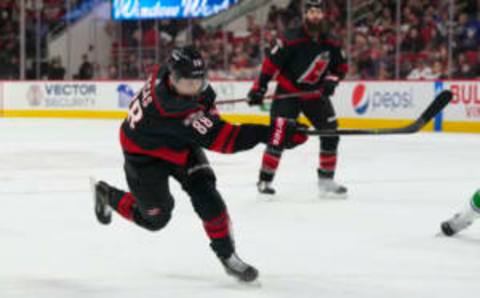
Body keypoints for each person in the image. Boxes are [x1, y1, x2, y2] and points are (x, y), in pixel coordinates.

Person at [92, 46, 307, 282]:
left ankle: (227, 256)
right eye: (187, 83)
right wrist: (276, 133)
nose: (194, 88)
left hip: (179, 144)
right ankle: (107, 195)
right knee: (156, 219)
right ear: (173, 79)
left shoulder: (167, 74)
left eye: (198, 81)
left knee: (207, 195)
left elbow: (205, 104)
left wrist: (207, 108)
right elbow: (226, 140)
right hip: (143, 157)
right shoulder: (175, 110)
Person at [248, 0, 348, 198]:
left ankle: (326, 180)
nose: (314, 16)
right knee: (278, 134)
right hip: (288, 92)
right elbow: (270, 64)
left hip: (314, 94)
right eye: (311, 12)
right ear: (305, 15)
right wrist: (259, 88)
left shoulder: (333, 42)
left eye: (318, 12)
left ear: (323, 15)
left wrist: (331, 80)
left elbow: (341, 68)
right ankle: (265, 181)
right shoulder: (290, 38)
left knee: (330, 133)